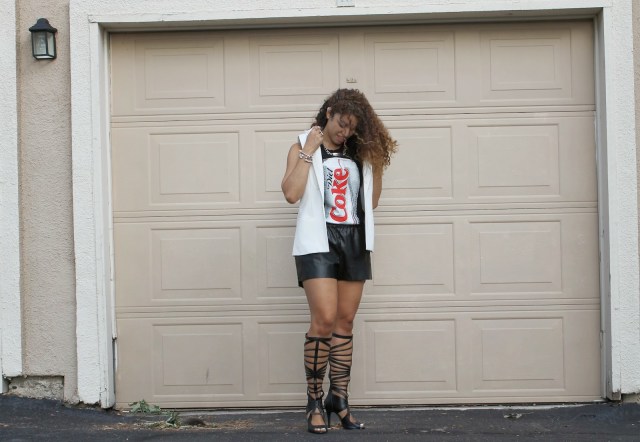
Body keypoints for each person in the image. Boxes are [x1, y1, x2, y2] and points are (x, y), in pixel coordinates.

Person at [281, 89, 397, 434]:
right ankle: (314, 402)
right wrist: (309, 150)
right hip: (318, 241)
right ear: (329, 113)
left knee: (344, 322)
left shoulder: (359, 153)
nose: (345, 132)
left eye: (352, 128)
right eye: (341, 124)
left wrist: (375, 162)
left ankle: (339, 399)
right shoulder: (302, 145)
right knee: (324, 320)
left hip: (353, 241)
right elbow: (291, 194)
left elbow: (370, 203)